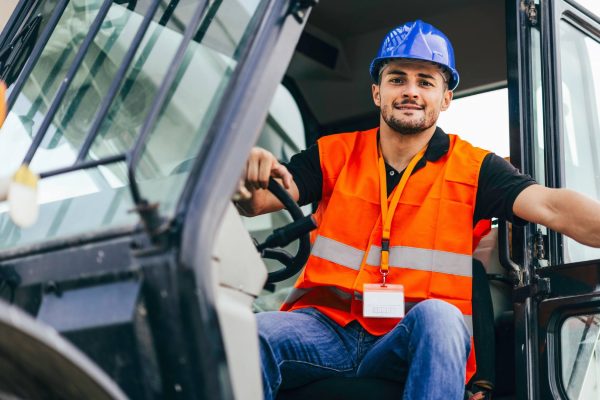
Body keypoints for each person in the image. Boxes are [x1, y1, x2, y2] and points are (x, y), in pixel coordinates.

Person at [235, 20, 600, 400]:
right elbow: (259, 200)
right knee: (252, 334)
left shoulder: (474, 168)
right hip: (323, 329)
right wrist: (249, 170)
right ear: (377, 92)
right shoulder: (334, 153)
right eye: (397, 79)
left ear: (445, 98)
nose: (410, 91)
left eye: (425, 81)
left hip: (408, 334)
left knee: (441, 318)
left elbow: (551, 205)